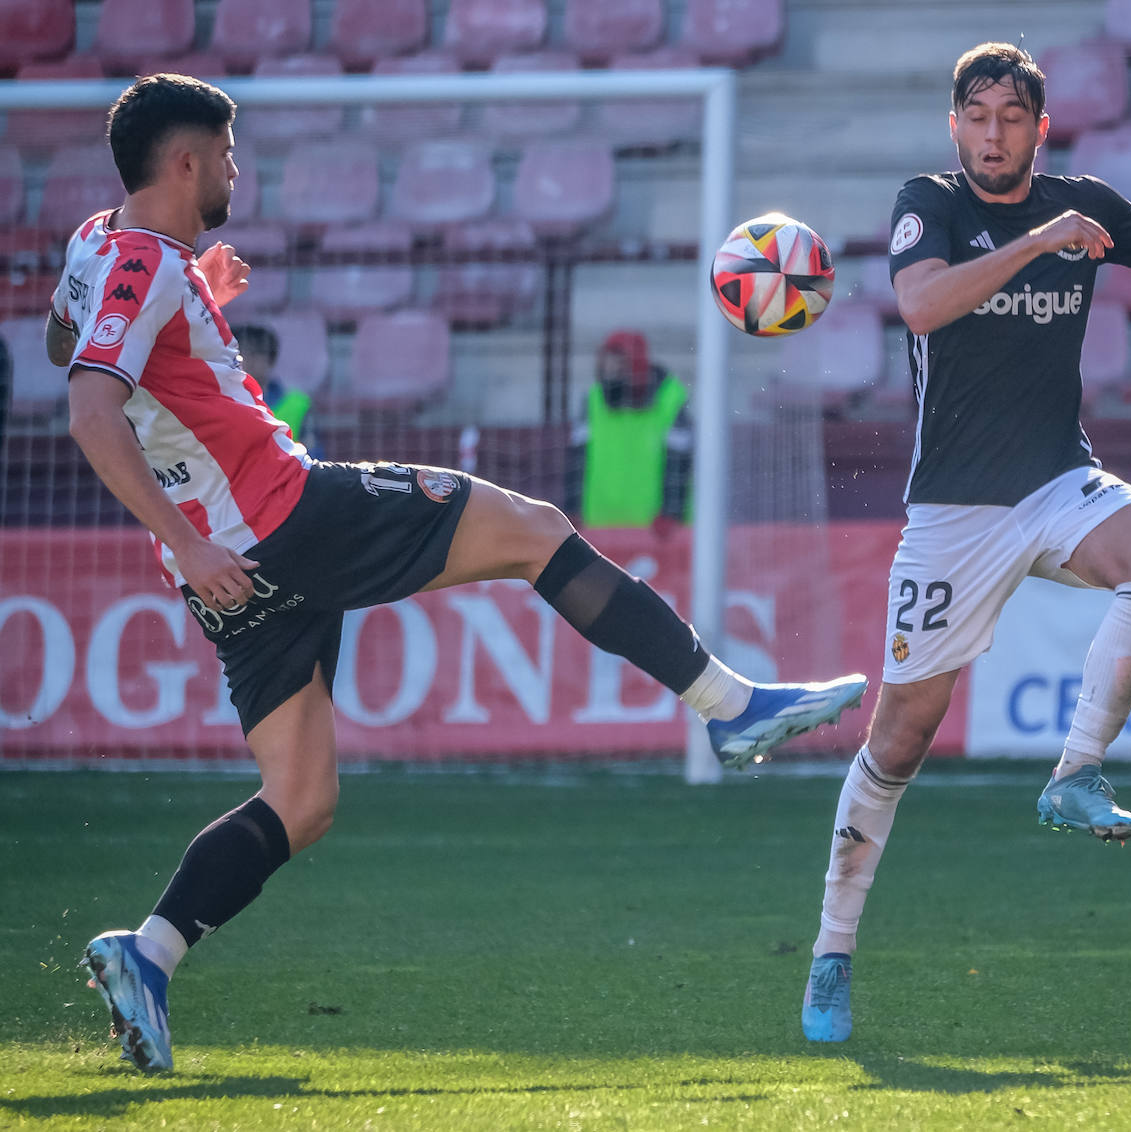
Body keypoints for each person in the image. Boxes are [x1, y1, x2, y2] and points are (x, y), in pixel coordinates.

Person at [50, 73, 867, 1074]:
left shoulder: (99, 248)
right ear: (183, 161)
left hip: (237, 564)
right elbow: (91, 412)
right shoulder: (141, 261)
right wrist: (187, 535)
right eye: (223, 153)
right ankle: (727, 701)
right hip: (281, 514)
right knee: (532, 529)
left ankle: (149, 952)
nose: (233, 168)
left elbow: (71, 339)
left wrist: (188, 313)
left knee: (301, 799)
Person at [799, 42, 1131, 1043]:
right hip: (955, 511)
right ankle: (832, 948)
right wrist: (1039, 244)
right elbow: (920, 303)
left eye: (1013, 117)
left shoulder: (1083, 202)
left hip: (1053, 481)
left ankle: (1075, 772)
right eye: (977, 115)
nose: (993, 133)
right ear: (953, 125)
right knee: (899, 739)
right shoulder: (931, 202)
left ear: (1040, 130)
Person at [565, 330, 692, 535]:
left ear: (635, 364)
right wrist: (571, 511)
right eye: (606, 363)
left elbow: (678, 463)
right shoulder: (593, 400)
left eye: (618, 363)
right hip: (598, 529)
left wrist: (671, 514)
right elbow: (577, 461)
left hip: (656, 533)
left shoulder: (670, 400)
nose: (610, 370)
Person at [231, 322, 316, 451]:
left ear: (271, 358)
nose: (247, 360)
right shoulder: (224, 401)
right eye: (241, 353)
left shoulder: (297, 404)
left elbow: (313, 454)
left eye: (255, 353)